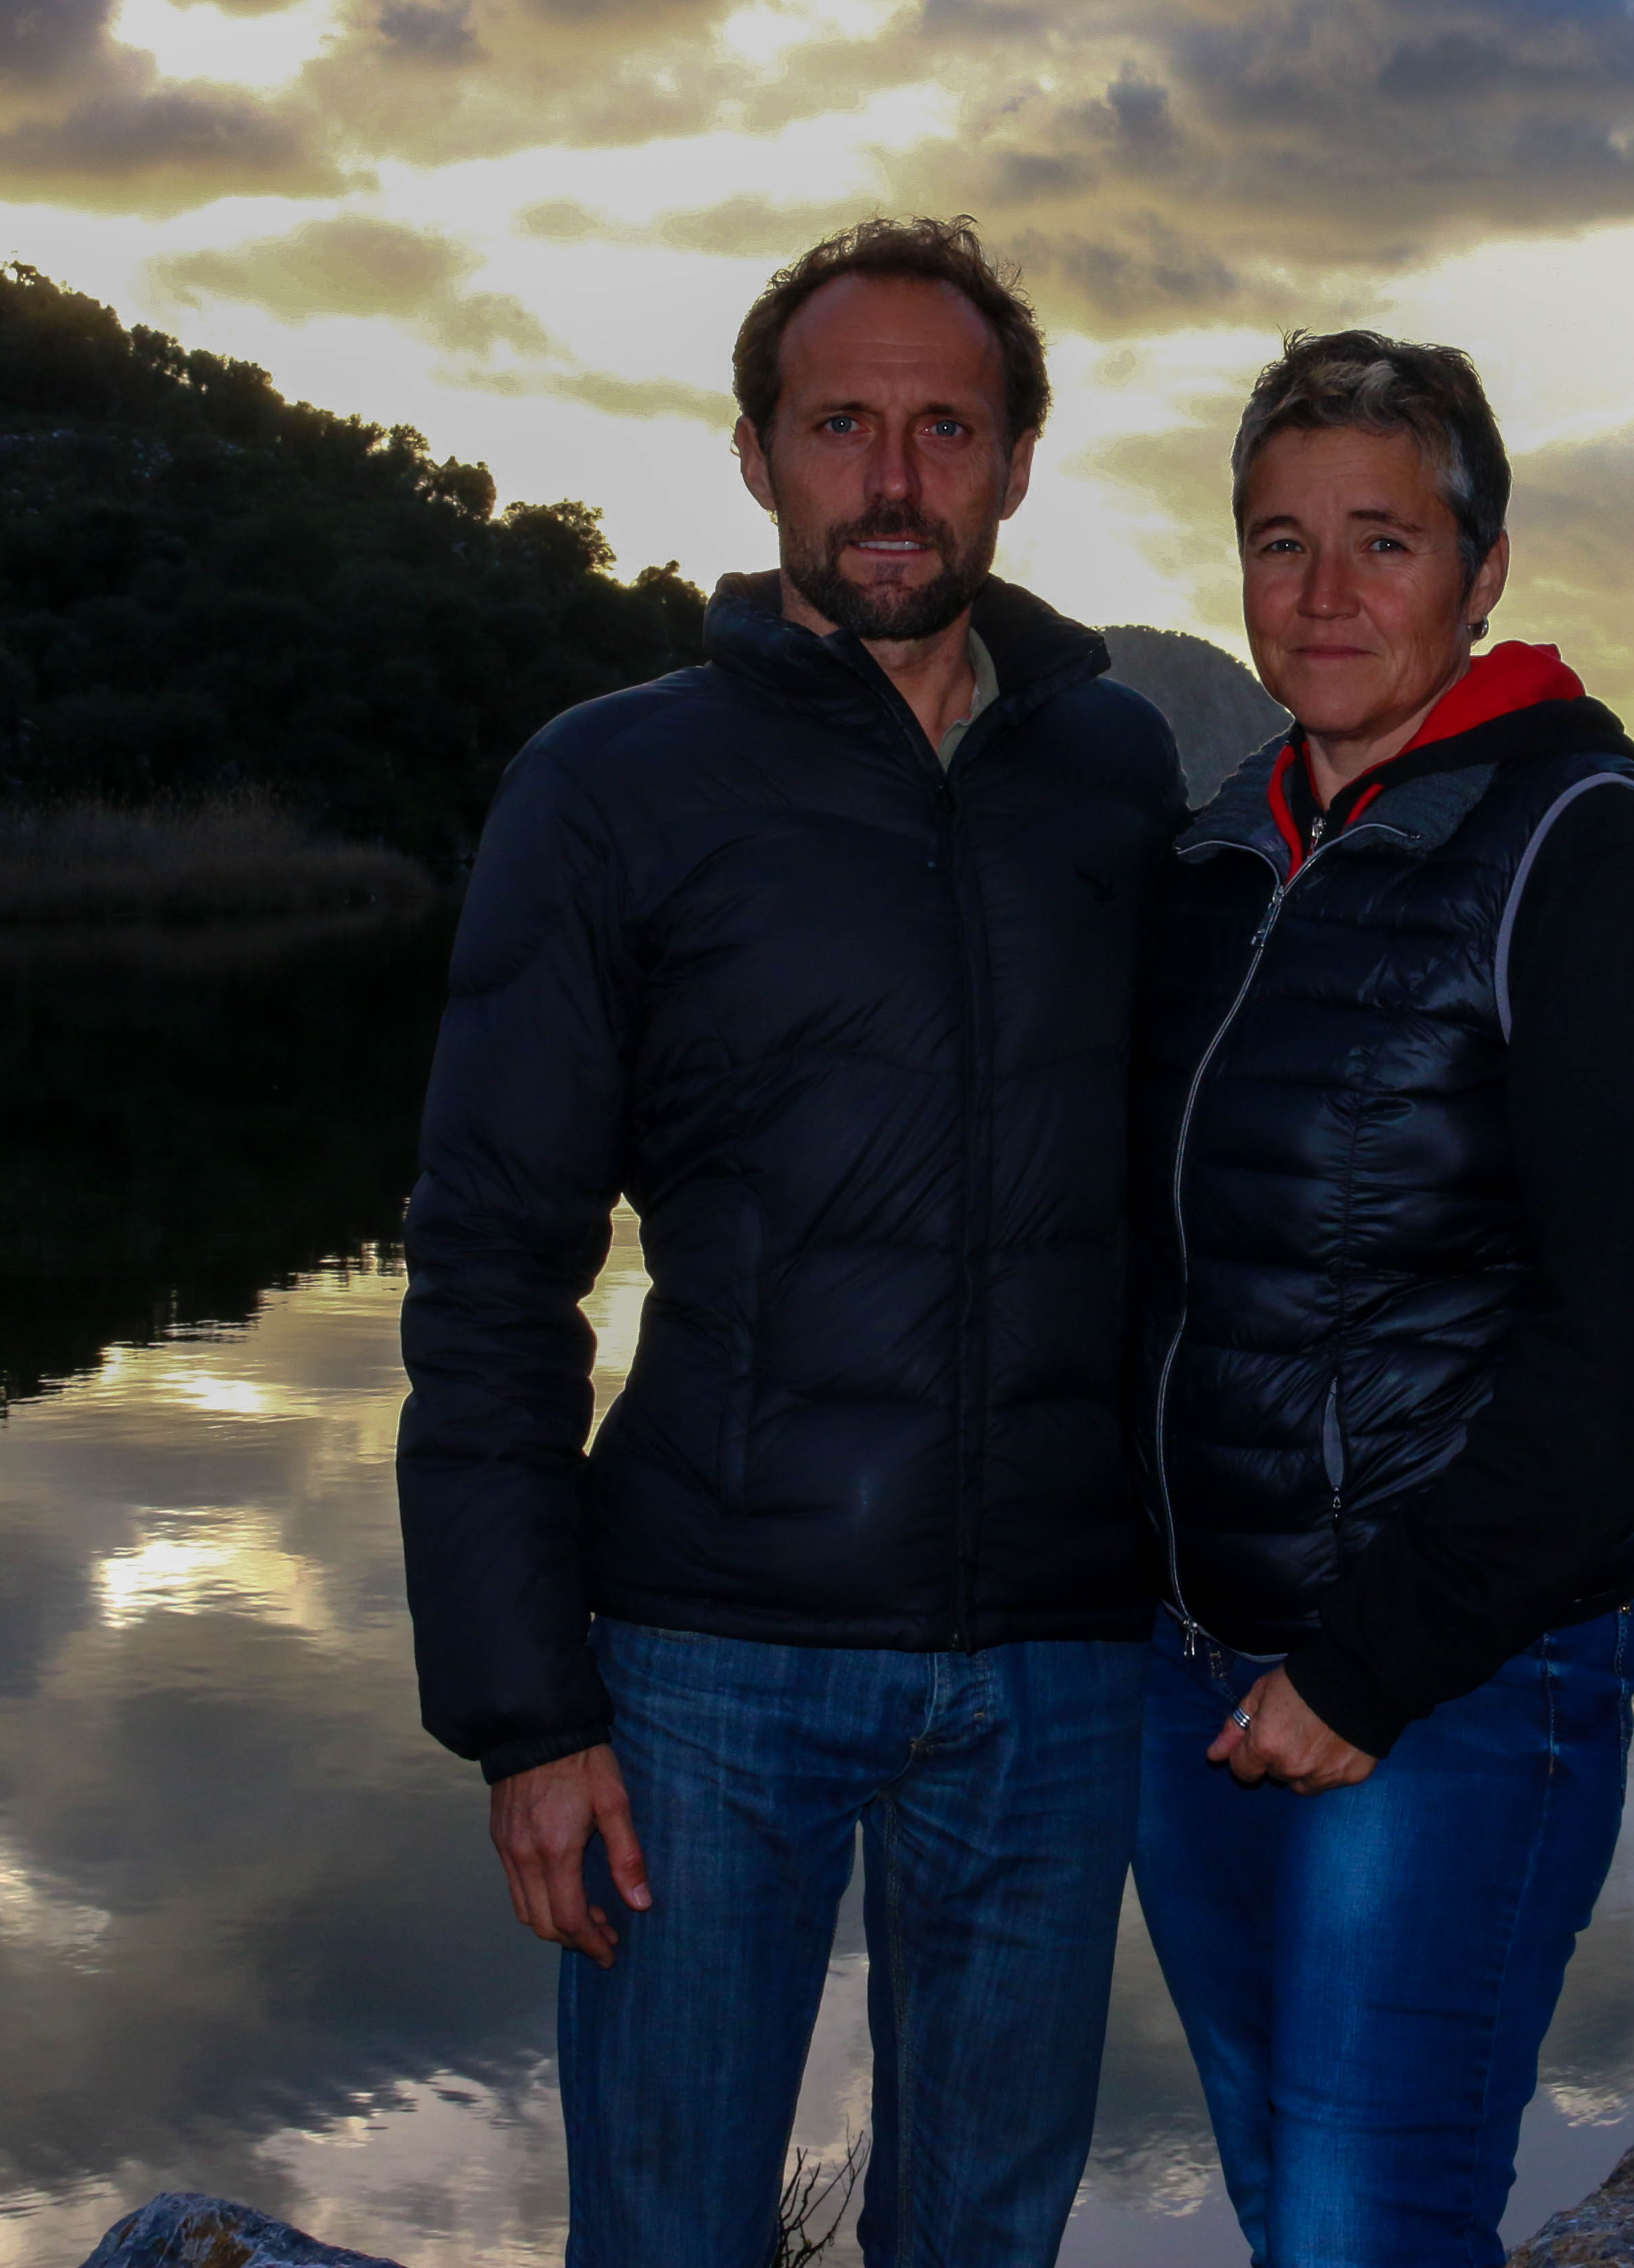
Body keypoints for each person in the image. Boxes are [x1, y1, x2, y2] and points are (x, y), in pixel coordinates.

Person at [394, 217, 1182, 2268]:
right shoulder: (612, 785)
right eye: (842, 425)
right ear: (754, 455)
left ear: (1018, 462)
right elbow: (492, 1268)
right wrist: (526, 1712)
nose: (894, 480)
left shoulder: (1113, 771)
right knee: (669, 2231)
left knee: (984, 2237)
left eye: (947, 428)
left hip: (1059, 1657)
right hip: (703, 1664)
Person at [1130, 331, 1634, 2265]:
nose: (1323, 594)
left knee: (1364, 2228)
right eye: (1280, 541)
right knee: (1289, 2205)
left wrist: (1366, 1671)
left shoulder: (1580, 849)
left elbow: (1620, 1351)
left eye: (1381, 542)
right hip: (1195, 1669)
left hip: (1449, 1684)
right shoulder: (1225, 858)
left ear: (1482, 572)